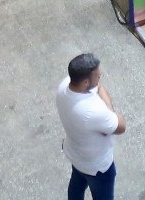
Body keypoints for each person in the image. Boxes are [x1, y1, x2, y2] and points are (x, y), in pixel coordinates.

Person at [58, 53, 124, 200]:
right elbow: (121, 126)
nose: (100, 74)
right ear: (85, 82)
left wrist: (98, 88)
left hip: (76, 154)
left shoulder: (65, 86)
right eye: (96, 73)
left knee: (76, 186)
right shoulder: (93, 110)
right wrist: (110, 112)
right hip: (97, 167)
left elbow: (98, 86)